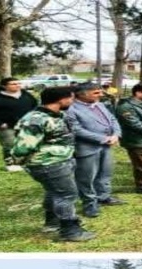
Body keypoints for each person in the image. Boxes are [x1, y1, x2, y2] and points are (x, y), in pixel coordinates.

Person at [12, 87, 94, 241]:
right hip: (48, 164)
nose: (72, 101)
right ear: (61, 99)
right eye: (70, 98)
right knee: (66, 195)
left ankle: (52, 222)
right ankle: (70, 230)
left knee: (54, 192)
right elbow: (22, 148)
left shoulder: (58, 115)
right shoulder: (36, 120)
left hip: (60, 161)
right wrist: (38, 161)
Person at [65, 83, 124, 219]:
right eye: (96, 93)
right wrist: (102, 138)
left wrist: (116, 134)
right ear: (81, 94)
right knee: (86, 177)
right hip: (87, 148)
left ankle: (103, 196)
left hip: (107, 145)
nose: (101, 95)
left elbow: (113, 119)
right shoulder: (71, 109)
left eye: (100, 92)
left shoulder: (100, 105)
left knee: (105, 173)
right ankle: (89, 204)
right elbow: (76, 129)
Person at [0, 77, 38, 171]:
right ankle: (11, 164)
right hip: (6, 126)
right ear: (4, 86)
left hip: (26, 124)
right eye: (13, 84)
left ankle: (27, 162)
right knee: (10, 144)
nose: (17, 85)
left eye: (18, 83)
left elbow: (35, 106)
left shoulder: (25, 94)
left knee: (27, 143)